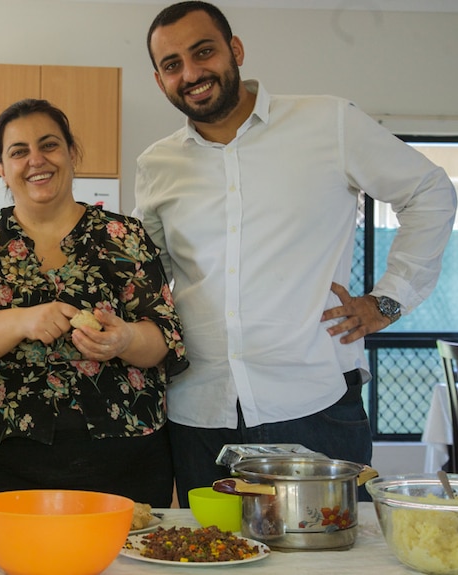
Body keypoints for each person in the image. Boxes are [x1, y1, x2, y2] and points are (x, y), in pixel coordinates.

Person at [135, 1, 457, 506]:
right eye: (173, 65)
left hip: (314, 405)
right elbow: (152, 275)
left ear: (235, 51)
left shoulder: (327, 121)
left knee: (332, 558)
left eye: (204, 52)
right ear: (160, 81)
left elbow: (431, 192)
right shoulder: (157, 165)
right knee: (212, 555)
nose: (192, 73)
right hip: (198, 411)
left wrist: (389, 299)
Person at [0, 98, 189, 507]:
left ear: (72, 153)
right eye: (18, 151)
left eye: (49, 145)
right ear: (1, 168)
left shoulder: (124, 235)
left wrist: (123, 340)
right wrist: (22, 321)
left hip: (127, 457)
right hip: (8, 458)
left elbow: (166, 338)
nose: (36, 159)